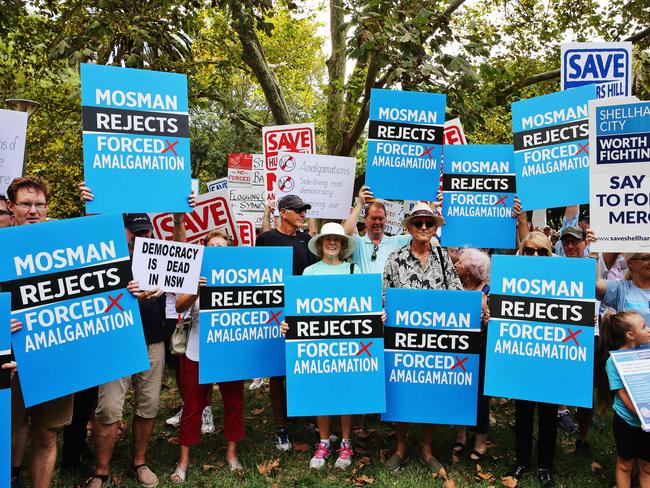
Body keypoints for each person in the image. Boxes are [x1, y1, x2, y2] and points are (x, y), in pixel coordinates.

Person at [382, 202, 462, 473]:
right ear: (410, 227)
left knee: (430, 386)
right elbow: (385, 296)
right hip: (402, 338)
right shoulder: (395, 259)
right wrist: (384, 313)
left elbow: (457, 293)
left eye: (429, 223)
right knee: (401, 388)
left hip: (436, 337)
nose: (425, 228)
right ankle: (401, 447)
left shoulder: (443, 257)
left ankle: (427, 449)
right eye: (419, 223)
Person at [6, 176, 75, 488]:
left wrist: (123, 288)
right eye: (25, 204)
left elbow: (94, 288)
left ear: (47, 207)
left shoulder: (66, 247)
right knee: (9, 429)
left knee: (46, 433)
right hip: (8, 358)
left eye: (39, 204)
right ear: (11, 207)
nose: (33, 210)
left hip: (53, 355)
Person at [281, 222, 359, 470]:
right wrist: (289, 325)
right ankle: (324, 442)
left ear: (343, 244)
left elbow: (362, 306)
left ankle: (346, 444)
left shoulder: (353, 271)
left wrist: (374, 317)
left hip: (346, 342)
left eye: (337, 239)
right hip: (318, 342)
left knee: (346, 392)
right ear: (321, 244)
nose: (332, 243)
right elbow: (299, 309)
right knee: (321, 391)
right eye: (328, 240)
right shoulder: (309, 273)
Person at [171, 230, 245, 483]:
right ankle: (183, 461)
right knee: (192, 407)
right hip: (197, 352)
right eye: (212, 246)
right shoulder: (194, 276)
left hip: (229, 353)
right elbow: (179, 306)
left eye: (222, 247)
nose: (217, 250)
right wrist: (196, 290)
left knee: (234, 404)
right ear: (204, 249)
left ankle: (232, 454)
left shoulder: (239, 277)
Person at [256, 194, 317, 451]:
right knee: (278, 373)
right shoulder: (266, 240)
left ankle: (312, 420)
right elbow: (257, 272)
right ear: (283, 212)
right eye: (298, 210)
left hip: (304, 311)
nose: (303, 214)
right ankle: (281, 427)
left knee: (307, 367)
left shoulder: (307, 240)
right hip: (276, 313)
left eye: (305, 210)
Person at [507, 231, 557, 487]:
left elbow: (575, 309)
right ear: (523, 252)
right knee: (523, 411)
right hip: (522, 355)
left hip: (551, 358)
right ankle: (522, 461)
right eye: (529, 250)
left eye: (541, 251)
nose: (535, 255)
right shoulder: (512, 276)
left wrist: (585, 319)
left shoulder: (562, 278)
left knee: (549, 414)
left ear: (549, 254)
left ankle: (545, 465)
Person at [597, 311, 650, 488]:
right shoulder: (613, 362)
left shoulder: (646, 355)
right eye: (644, 327)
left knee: (647, 465)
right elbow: (622, 393)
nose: (648, 329)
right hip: (627, 422)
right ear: (630, 334)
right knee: (624, 464)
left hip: (648, 424)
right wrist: (643, 417)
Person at [452, 248, 492, 462]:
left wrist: (486, 313)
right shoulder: (454, 287)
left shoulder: (489, 292)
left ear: (471, 270)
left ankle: (480, 441)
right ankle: (460, 436)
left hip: (482, 351)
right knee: (461, 391)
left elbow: (495, 327)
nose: (456, 264)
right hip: (460, 351)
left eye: (460, 262)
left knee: (481, 397)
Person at [342, 186, 410, 274]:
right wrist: (360, 204)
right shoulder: (357, 243)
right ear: (365, 220)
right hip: (363, 288)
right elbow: (345, 234)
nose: (377, 222)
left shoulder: (397, 241)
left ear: (386, 220)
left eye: (380, 218)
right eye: (373, 218)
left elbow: (424, 237)